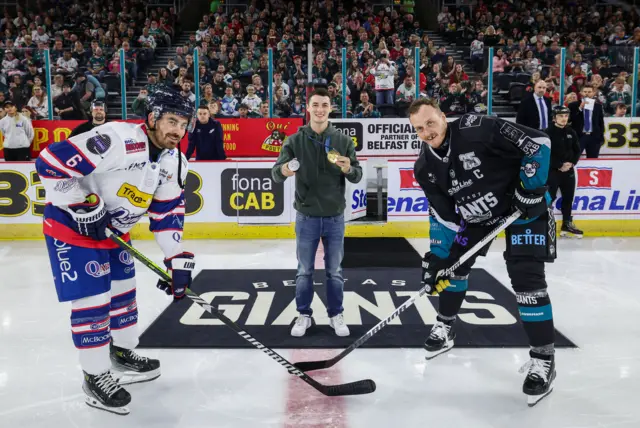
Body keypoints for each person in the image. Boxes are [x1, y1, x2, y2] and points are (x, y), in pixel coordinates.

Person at [34, 85, 196, 415]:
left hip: (115, 231)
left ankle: (121, 353)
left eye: (183, 124)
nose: (177, 131)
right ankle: (94, 375)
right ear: (152, 118)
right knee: (94, 301)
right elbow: (50, 163)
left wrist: (175, 257)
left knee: (124, 295)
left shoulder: (174, 161)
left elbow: (166, 213)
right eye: (171, 121)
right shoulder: (118, 139)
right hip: (72, 228)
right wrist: (83, 205)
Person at [408, 98, 557, 407]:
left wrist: (530, 188)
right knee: (454, 269)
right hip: (479, 219)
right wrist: (440, 260)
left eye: (430, 123)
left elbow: (538, 142)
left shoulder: (478, 128)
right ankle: (445, 325)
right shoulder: (425, 169)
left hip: (523, 209)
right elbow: (448, 219)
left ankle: (544, 360)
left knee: (527, 281)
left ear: (443, 117)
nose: (426, 132)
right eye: (419, 129)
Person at [271, 87, 363, 338]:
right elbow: (275, 174)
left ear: (330, 108)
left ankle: (336, 314)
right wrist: (286, 170)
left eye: (324, 105)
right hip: (306, 217)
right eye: (316, 105)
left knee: (335, 271)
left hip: (335, 217)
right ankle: (304, 315)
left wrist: (347, 169)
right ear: (308, 108)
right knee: (304, 271)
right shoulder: (294, 140)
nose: (320, 109)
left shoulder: (343, 141)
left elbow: (357, 175)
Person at [545, 106, 583, 238]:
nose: (564, 118)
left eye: (566, 116)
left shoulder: (571, 132)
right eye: (561, 116)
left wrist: (571, 163)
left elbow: (577, 150)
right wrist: (559, 165)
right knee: (549, 199)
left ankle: (567, 224)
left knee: (568, 198)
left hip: (569, 171)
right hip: (553, 171)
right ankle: (546, 224)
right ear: (554, 117)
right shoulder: (547, 132)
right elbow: (545, 154)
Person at [568, 84, 605, 158]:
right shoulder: (573, 105)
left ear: (594, 93)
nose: (587, 94)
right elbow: (570, 119)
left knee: (593, 159)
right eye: (585, 92)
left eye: (589, 92)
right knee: (574, 158)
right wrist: (580, 108)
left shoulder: (598, 106)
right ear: (581, 93)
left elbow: (601, 122)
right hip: (579, 136)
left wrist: (600, 137)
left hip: (593, 137)